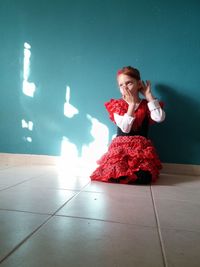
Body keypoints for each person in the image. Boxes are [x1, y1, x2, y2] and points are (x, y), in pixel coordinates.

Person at [90, 66, 165, 184]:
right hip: (121, 149)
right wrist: (130, 106)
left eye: (129, 83)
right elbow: (125, 128)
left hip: (141, 149)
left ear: (139, 84)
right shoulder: (117, 105)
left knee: (144, 177)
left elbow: (159, 118)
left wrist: (149, 96)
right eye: (121, 85)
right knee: (115, 174)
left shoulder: (146, 104)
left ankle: (134, 175)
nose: (125, 87)